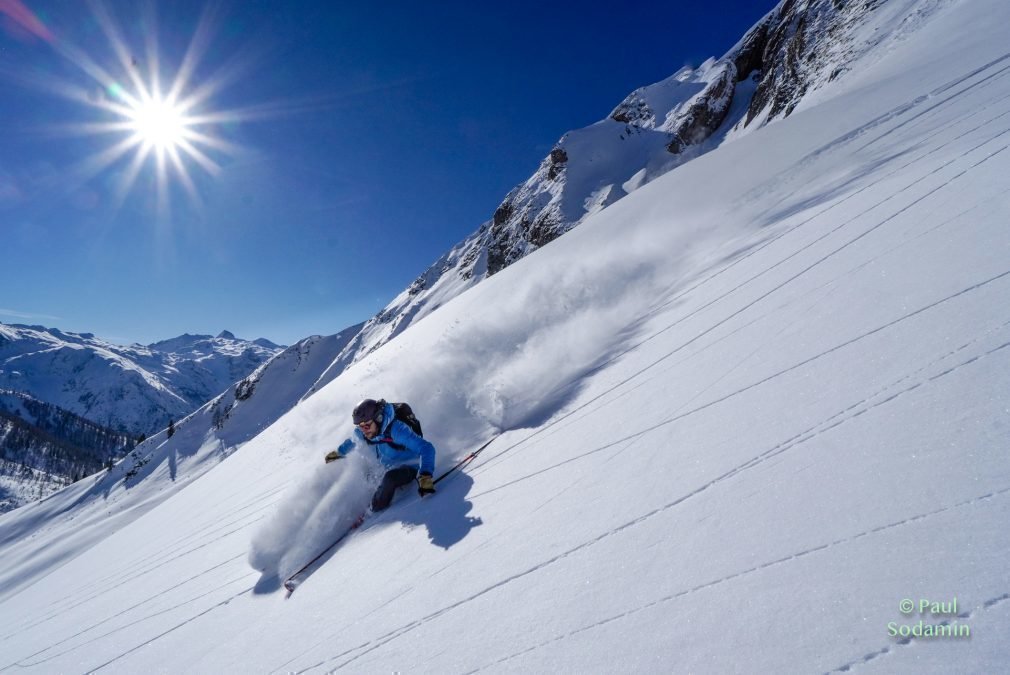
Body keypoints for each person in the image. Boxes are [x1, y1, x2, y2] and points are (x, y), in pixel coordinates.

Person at [325, 398, 436, 511]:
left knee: (390, 478)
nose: (364, 430)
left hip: (409, 467)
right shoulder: (365, 432)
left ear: (378, 419)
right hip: (385, 466)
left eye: (366, 426)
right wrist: (337, 453)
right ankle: (358, 506)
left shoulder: (397, 431)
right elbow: (351, 441)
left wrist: (425, 476)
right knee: (362, 472)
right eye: (360, 426)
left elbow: (426, 448)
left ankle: (374, 508)